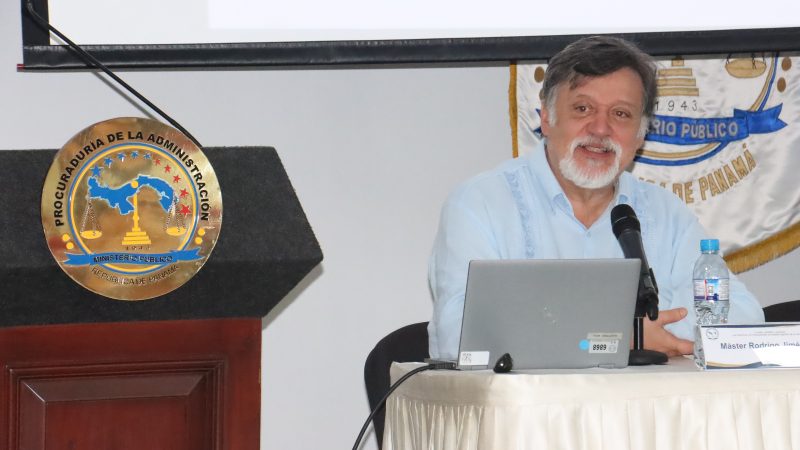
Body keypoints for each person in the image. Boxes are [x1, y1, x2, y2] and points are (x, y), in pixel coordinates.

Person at [427, 35, 765, 360]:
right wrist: (620, 335)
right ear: (546, 117)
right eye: (583, 108)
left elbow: (741, 315)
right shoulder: (481, 205)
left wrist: (626, 334)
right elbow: (458, 336)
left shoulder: (666, 214)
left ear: (641, 133)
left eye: (621, 114)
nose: (601, 129)